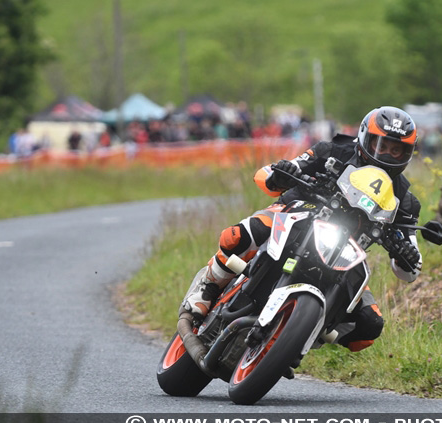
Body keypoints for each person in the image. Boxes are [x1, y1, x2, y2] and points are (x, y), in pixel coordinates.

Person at [179, 106, 423, 352]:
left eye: (397, 150)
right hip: (296, 213)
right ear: (364, 139)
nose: (389, 155)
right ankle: (208, 287)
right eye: (382, 146)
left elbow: (410, 269)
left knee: (370, 326)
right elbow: (265, 175)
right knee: (240, 236)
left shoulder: (406, 201)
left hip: (346, 252)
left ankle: (310, 329)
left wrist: (407, 255)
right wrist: (282, 175)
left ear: (408, 154)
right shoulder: (332, 151)